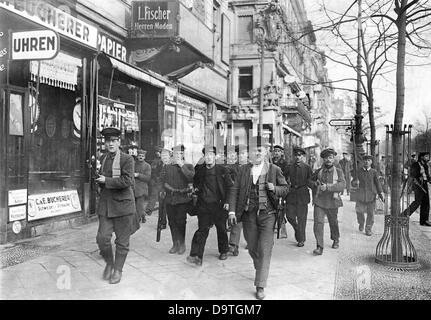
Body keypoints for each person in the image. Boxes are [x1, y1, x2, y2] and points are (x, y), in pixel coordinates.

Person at [228, 136, 288, 300]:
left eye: (260, 150)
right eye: (254, 150)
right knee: (253, 248)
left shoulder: (274, 169)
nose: (257, 153)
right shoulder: (243, 170)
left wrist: (274, 188)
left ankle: (260, 285)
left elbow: (285, 188)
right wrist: (232, 211)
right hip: (248, 215)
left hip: (268, 215)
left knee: (264, 249)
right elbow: (234, 190)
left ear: (265, 152)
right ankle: (260, 266)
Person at [95, 127, 136, 284]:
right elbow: (101, 180)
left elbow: (128, 181)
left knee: (122, 242)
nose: (110, 144)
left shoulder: (127, 159)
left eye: (113, 141)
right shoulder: (104, 158)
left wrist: (106, 181)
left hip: (123, 207)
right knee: (102, 238)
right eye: (107, 141)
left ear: (119, 142)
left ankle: (117, 270)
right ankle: (110, 264)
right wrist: (97, 180)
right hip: (106, 206)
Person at [186, 146, 233, 266]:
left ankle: (223, 250)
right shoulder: (200, 169)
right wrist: (195, 189)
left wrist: (227, 202)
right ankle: (197, 255)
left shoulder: (222, 170)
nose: (208, 158)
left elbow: (230, 187)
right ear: (204, 157)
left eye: (211, 155)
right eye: (206, 155)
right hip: (204, 204)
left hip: (219, 204)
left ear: (215, 157)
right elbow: (195, 181)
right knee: (202, 229)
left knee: (221, 228)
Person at [311, 148, 346, 256]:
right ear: (323, 159)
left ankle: (335, 239)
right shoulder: (318, 171)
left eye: (330, 157)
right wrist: (315, 184)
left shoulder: (339, 171)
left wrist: (328, 187)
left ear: (333, 158)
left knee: (333, 222)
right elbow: (309, 181)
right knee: (318, 223)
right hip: (320, 202)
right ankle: (319, 246)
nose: (328, 160)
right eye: (326, 158)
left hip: (332, 201)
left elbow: (342, 185)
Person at [163, 144, 195, 254]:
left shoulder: (188, 166)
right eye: (176, 153)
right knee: (172, 222)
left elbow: (191, 177)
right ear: (173, 154)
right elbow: (162, 180)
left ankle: (182, 244)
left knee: (181, 222)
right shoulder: (168, 166)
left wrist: (182, 166)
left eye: (180, 154)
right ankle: (175, 244)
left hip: (182, 199)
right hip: (170, 198)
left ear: (183, 154)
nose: (178, 156)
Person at [285, 146, 313, 247]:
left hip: (302, 195)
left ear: (303, 157)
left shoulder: (307, 168)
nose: (297, 157)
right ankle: (297, 229)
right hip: (291, 195)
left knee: (302, 219)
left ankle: (301, 239)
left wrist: (314, 186)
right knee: (289, 216)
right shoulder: (289, 167)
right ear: (293, 156)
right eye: (296, 155)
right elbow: (283, 180)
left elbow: (311, 180)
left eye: (300, 155)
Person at [355, 155, 384, 236]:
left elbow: (377, 183)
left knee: (370, 213)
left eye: (368, 160)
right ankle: (361, 223)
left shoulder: (374, 172)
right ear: (362, 162)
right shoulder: (358, 171)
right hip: (360, 196)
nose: (366, 162)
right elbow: (353, 182)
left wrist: (381, 193)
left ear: (371, 162)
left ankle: (368, 228)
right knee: (359, 211)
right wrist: (355, 182)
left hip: (371, 196)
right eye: (365, 160)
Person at [227, 144, 248, 256]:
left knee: (250, 222)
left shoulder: (252, 167)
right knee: (236, 220)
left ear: (247, 155)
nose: (241, 156)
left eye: (243, 153)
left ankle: (251, 241)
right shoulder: (231, 168)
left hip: (250, 198)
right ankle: (233, 245)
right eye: (239, 154)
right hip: (237, 197)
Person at [402, 152, 431, 226]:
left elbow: (427, 176)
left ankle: (424, 221)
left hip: (424, 185)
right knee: (417, 202)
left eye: (428, 156)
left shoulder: (426, 165)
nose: (428, 158)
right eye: (426, 156)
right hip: (418, 185)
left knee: (426, 203)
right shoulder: (416, 164)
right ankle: (403, 216)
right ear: (422, 157)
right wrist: (419, 176)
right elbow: (413, 175)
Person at [134, 149, 151, 223]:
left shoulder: (147, 166)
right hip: (133, 187)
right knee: (135, 205)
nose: (141, 157)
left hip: (142, 188)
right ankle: (142, 215)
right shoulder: (133, 164)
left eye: (142, 156)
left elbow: (148, 178)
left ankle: (138, 219)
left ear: (144, 157)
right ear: (137, 156)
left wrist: (138, 175)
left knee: (139, 205)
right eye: (139, 156)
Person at [146, 146, 163, 216]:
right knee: (154, 194)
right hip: (155, 179)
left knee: (158, 195)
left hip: (161, 180)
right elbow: (152, 169)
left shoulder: (163, 160)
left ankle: (151, 209)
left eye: (158, 152)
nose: (157, 153)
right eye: (156, 152)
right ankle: (149, 209)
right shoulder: (155, 160)